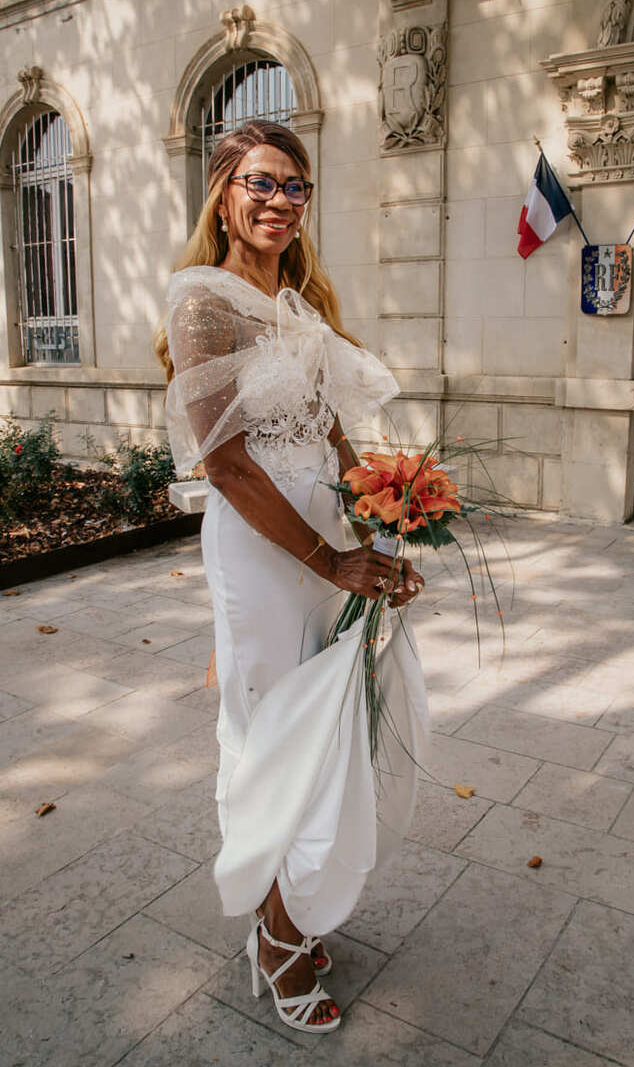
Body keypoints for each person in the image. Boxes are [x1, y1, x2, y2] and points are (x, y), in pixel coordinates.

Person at [155, 120, 427, 1035]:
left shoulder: (303, 306)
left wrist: (388, 521)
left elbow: (334, 436)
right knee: (278, 736)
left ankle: (292, 908)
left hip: (328, 541)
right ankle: (272, 937)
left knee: (330, 724)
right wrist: (333, 557)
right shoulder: (204, 302)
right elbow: (227, 463)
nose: (279, 201)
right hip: (265, 555)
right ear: (224, 191)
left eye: (296, 187)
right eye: (262, 183)